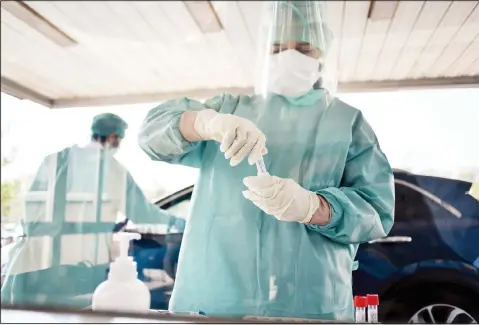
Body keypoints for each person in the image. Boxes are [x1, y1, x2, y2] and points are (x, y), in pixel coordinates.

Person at [138, 1, 395, 321]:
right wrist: (205, 123)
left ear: (322, 54)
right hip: (219, 300)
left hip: (310, 303)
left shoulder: (346, 123)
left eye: (303, 47)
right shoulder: (228, 109)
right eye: (277, 47)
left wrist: (311, 206)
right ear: (263, 52)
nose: (290, 56)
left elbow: (376, 211)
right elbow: (152, 135)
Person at [1, 113, 175, 308]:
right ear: (112, 137)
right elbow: (143, 213)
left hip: (38, 262)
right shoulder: (113, 170)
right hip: (81, 268)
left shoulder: (55, 160)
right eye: (119, 140)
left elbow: (31, 209)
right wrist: (176, 222)